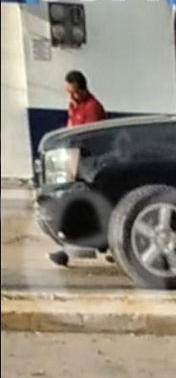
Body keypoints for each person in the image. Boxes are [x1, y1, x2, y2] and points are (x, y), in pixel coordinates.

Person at [49, 71, 107, 267]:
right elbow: (70, 129)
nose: (70, 97)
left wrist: (72, 170)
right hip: (75, 163)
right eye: (68, 92)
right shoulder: (75, 106)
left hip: (87, 165)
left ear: (82, 89)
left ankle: (70, 248)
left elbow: (84, 141)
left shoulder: (92, 108)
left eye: (73, 92)